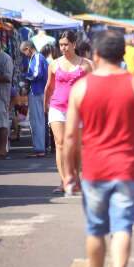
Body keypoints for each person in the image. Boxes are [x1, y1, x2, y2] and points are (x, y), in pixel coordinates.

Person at [63, 30, 134, 267]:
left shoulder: (82, 87)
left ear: (95, 55)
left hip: (95, 169)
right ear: (122, 55)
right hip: (127, 170)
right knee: (122, 229)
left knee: (96, 229)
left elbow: (69, 137)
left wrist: (69, 173)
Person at [44, 30, 92, 194]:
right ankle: (65, 181)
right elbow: (49, 87)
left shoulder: (86, 64)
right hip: (57, 107)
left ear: (74, 44)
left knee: (77, 146)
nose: (63, 48)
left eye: (66, 45)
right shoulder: (54, 64)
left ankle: (76, 179)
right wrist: (45, 106)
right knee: (61, 144)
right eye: (61, 45)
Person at [20, 41, 48, 158]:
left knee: (37, 121)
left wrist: (23, 77)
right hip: (39, 92)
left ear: (28, 48)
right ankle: (41, 147)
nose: (24, 55)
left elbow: (36, 74)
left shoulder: (37, 57)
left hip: (37, 92)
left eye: (24, 52)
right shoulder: (38, 58)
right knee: (40, 121)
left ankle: (40, 148)